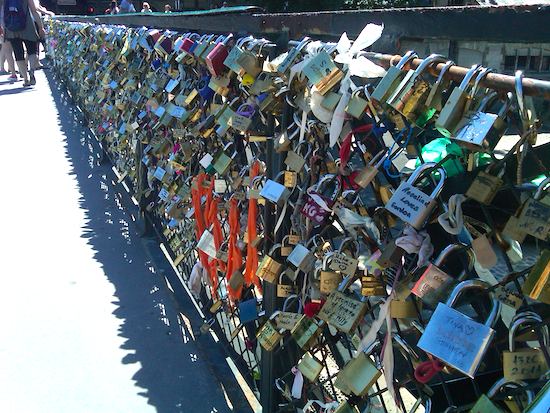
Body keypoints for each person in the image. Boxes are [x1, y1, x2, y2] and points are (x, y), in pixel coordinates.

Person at [2, 0, 45, 86]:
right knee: (32, 50)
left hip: (11, 27)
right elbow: (34, 10)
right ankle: (31, 71)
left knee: (18, 54)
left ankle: (26, 79)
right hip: (27, 26)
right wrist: (41, 27)